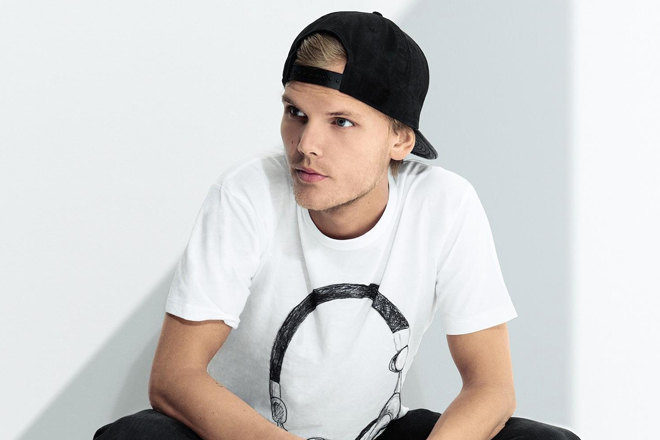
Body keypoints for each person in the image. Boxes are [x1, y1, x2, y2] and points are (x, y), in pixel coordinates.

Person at [93, 10, 581, 440]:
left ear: (400, 139)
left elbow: (491, 388)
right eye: (295, 112)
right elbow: (174, 379)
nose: (306, 144)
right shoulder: (246, 194)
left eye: (341, 122)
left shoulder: (444, 205)